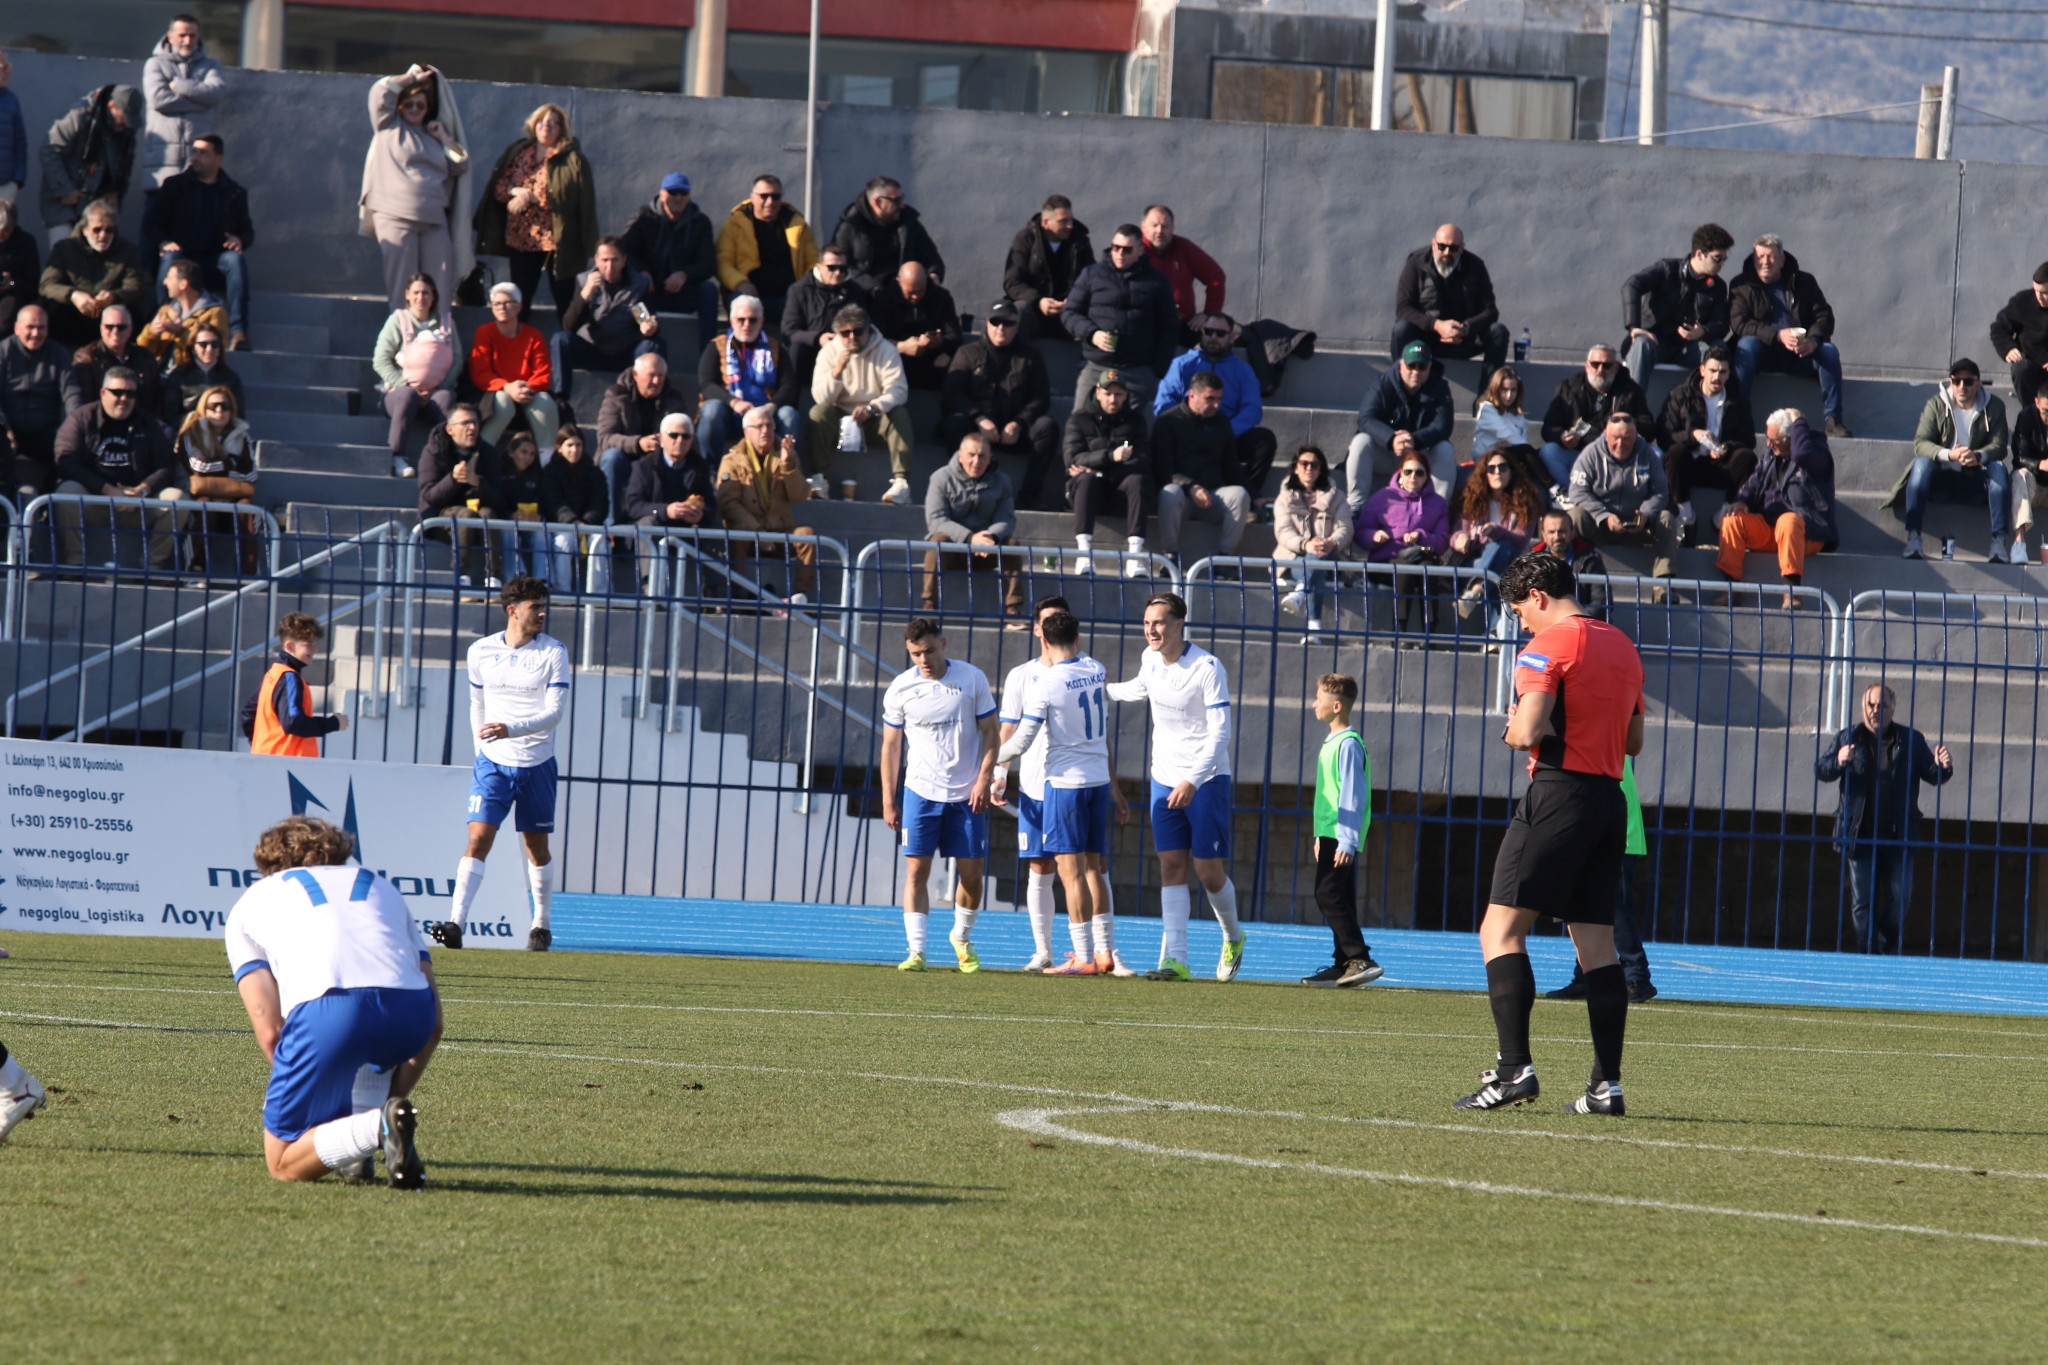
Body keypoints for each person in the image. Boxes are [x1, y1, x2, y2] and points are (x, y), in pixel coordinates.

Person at [1455, 550, 1645, 1116]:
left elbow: (1528, 730)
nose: (1520, 624)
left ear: (1536, 596)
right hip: (1609, 800)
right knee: (1597, 946)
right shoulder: (1622, 644)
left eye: (1519, 611)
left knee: (1499, 930)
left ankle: (1513, 1070)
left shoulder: (1547, 646)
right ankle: (1605, 1087)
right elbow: (1634, 742)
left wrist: (1512, 730)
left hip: (1559, 794)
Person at [225, 815, 440, 1187]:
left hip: (329, 1012)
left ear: (268, 864)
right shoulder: (381, 886)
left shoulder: (251, 901)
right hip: (410, 1014)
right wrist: (394, 1100)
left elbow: (271, 1032)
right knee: (369, 1045)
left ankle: (372, 1128)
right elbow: (434, 1023)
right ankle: (370, 1133)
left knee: (283, 1163)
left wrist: (313, 1097)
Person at [1107, 591, 1246, 982]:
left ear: (1179, 624)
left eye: (1159, 623)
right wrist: (1101, 688)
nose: (1152, 630)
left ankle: (1233, 936)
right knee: (1170, 865)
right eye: (1147, 623)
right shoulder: (1150, 658)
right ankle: (1176, 961)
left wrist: (1192, 780)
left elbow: (1221, 734)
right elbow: (1140, 688)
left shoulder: (1207, 667)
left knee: (1207, 870)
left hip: (1206, 780)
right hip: (1163, 778)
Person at [428, 576, 569, 952]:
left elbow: (555, 713)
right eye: (535, 607)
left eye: (544, 607)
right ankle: (456, 924)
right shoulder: (480, 651)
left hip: (537, 763)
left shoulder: (553, 652)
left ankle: (540, 925)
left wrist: (511, 729)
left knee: (536, 848)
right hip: (493, 764)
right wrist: (482, 749)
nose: (542, 614)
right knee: (478, 839)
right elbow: (477, 703)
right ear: (512, 611)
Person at [996, 608, 1133, 975]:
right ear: (1077, 638)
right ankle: (1104, 952)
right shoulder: (1096, 669)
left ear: (1044, 639)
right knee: (1094, 869)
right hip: (1097, 781)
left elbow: (1022, 740)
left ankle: (1083, 957)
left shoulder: (1046, 682)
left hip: (1065, 784)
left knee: (1069, 872)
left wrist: (990, 760)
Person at [881, 618, 999, 973]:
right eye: (916, 654)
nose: (924, 659)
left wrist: (984, 779)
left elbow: (991, 732)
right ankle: (916, 951)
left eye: (929, 651)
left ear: (943, 644)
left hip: (966, 793)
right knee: (916, 871)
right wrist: (888, 800)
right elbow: (891, 747)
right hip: (921, 791)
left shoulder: (971, 678)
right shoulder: (900, 688)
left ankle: (960, 937)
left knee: (972, 875)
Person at [1816, 684, 1953, 955]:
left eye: (1882, 705)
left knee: (1901, 897)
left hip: (1898, 834)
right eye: (1871, 705)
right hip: (1859, 833)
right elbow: (1821, 769)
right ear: (1863, 707)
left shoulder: (1911, 740)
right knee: (1862, 902)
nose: (1876, 710)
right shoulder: (1848, 737)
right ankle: (1869, 951)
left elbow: (1933, 774)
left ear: (1892, 709)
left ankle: (1884, 943)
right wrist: (1839, 761)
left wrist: (1944, 767)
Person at [993, 593, 1078, 969]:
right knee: (1040, 867)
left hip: (1074, 785)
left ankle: (1099, 952)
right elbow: (1009, 729)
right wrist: (999, 772)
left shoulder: (1087, 671)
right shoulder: (1021, 675)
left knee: (1087, 867)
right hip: (1033, 786)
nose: (1052, 627)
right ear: (1036, 629)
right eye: (1046, 621)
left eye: (1059, 619)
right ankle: (1043, 951)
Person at [1544, 756, 1657, 1004]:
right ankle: (1586, 975)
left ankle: (1636, 976)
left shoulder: (1599, 744)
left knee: (1615, 908)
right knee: (1578, 908)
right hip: (1586, 833)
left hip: (1615, 835)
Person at [359, 64, 471, 313]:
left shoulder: (433, 136)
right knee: (404, 286)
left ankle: (440, 333)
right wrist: (411, 78)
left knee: (439, 284)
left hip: (434, 219)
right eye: (409, 104)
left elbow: (460, 165)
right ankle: (403, 334)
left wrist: (444, 138)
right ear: (399, 106)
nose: (414, 109)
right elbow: (380, 91)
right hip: (396, 216)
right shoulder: (389, 126)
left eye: (420, 105)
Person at [473, 102, 596, 324]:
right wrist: (515, 191)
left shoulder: (571, 159)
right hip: (521, 241)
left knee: (564, 299)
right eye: (542, 121)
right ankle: (520, 344)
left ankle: (567, 342)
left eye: (553, 123)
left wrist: (530, 198)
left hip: (556, 243)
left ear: (561, 129)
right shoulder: (518, 152)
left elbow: (572, 199)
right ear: (533, 124)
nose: (546, 126)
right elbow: (498, 188)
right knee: (520, 300)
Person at [53, 364, 183, 570]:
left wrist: (142, 490)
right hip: (95, 501)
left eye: (130, 394)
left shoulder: (148, 423)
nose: (124, 398)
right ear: (103, 393)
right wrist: (106, 489)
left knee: (178, 499)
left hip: (137, 504)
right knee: (67, 491)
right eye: (117, 392)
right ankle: (74, 564)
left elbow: (165, 466)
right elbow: (66, 462)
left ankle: (151, 567)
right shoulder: (80, 418)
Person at [1301, 673, 1383, 987]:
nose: (1314, 704)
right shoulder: (1333, 742)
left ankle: (1359, 957)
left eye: (1319, 699)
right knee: (1341, 896)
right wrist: (1320, 835)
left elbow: (1352, 794)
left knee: (1327, 893)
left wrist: (1346, 840)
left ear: (1337, 706)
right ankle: (1343, 963)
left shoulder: (1348, 744)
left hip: (1340, 834)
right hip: (1330, 833)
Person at [1728, 233, 1851, 438]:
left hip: (1800, 353)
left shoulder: (1804, 282)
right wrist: (1777, 335)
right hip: (1763, 354)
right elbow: (1740, 324)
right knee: (1746, 346)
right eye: (1760, 257)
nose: (1765, 262)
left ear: (1782, 260)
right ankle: (1738, 417)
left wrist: (1813, 341)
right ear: (1754, 259)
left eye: (1771, 257)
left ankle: (1833, 420)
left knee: (1829, 351)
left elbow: (1824, 317)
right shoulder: (1741, 285)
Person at [1893, 357, 2014, 562]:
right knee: (1921, 464)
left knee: (1998, 468)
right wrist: (1950, 455)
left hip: (1976, 480)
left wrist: (1978, 456)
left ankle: (1998, 543)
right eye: (1956, 381)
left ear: (1978, 383)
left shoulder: (1994, 406)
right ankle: (1913, 538)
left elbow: (1999, 445)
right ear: (1951, 382)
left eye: (1968, 381)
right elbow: (1921, 443)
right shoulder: (1936, 404)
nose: (1961, 386)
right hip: (1941, 479)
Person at [940, 300, 1056, 509]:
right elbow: (952, 394)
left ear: (1017, 325)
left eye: (1008, 323)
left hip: (1014, 433)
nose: (1001, 328)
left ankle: (1029, 495)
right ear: (987, 323)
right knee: (954, 422)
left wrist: (1019, 422)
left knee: (1047, 426)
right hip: (977, 431)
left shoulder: (1030, 356)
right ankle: (962, 489)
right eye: (996, 322)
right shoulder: (967, 353)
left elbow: (1041, 397)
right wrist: (978, 418)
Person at [142, 132, 251, 350]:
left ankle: (238, 331)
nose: (196, 157)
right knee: (169, 258)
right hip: (181, 257)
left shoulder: (234, 193)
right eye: (195, 152)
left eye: (203, 153)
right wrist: (163, 242)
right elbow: (152, 223)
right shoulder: (175, 186)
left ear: (218, 158)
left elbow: (247, 231)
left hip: (213, 259)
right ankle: (165, 318)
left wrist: (239, 240)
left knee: (234, 260)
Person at [1716, 408, 1836, 601]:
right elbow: (1753, 484)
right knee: (1732, 521)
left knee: (1788, 521)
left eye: (1774, 440)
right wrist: (1741, 501)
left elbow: (1802, 454)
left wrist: (1799, 422)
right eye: (1768, 438)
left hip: (1806, 533)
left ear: (1791, 437)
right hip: (1770, 530)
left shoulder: (1816, 451)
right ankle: (1731, 589)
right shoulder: (1770, 456)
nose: (1768, 444)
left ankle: (1792, 591)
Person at [1154, 311, 1277, 501]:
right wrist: (1185, 427)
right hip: (1187, 433)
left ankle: (1250, 500)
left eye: (1220, 334)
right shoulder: (1181, 365)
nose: (1213, 337)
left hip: (1227, 435)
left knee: (1264, 440)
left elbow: (1252, 410)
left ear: (1231, 337)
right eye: (1208, 332)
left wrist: (1225, 431)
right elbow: (1163, 405)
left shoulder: (1243, 371)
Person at [1065, 224, 1179, 413]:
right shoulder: (1092, 274)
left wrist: (1156, 371)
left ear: (1140, 251)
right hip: (1096, 365)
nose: (1119, 254)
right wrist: (1092, 334)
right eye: (1115, 247)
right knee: (1081, 421)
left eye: (1127, 250)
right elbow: (1070, 313)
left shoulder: (1157, 281)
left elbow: (1170, 327)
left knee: (1128, 428)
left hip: (1137, 371)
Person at [809, 304, 912, 503]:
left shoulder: (886, 350)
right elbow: (821, 398)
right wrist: (837, 371)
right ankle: (819, 479)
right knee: (818, 413)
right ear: (838, 334)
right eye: (845, 333)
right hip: (839, 421)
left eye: (858, 331)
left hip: (874, 419)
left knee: (899, 414)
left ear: (868, 330)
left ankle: (901, 483)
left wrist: (873, 408)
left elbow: (898, 390)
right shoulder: (829, 352)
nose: (852, 337)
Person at [716, 405, 817, 604]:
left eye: (770, 426)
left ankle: (802, 597)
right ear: (746, 432)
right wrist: (758, 533)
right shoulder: (731, 460)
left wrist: (787, 465)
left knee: (807, 535)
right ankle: (736, 593)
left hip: (780, 532)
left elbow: (799, 495)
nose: (766, 431)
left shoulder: (786, 455)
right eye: (759, 426)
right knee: (736, 533)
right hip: (749, 532)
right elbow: (728, 504)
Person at [549, 237, 666, 402]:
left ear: (624, 261)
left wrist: (650, 328)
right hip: (593, 349)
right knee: (560, 339)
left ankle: (647, 401)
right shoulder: (584, 281)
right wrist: (585, 294)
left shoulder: (639, 284)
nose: (609, 266)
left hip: (625, 351)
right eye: (604, 260)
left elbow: (646, 319)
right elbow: (568, 326)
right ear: (596, 260)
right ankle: (561, 400)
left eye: (615, 260)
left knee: (654, 344)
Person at [1659, 346, 1756, 546]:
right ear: (1702, 370)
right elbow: (1664, 435)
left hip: (1721, 465)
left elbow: (1748, 440)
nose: (1717, 377)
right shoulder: (1680, 395)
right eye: (1712, 370)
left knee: (1747, 457)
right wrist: (1693, 435)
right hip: (1689, 464)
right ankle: (1686, 516)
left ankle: (1723, 515)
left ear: (1729, 374)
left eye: (1722, 372)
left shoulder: (1738, 401)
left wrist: (1726, 447)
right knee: (1675, 452)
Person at [922, 431, 1023, 619]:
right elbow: (936, 520)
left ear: (990, 458)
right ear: (960, 456)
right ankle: (930, 604)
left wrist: (991, 537)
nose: (976, 462)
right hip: (952, 550)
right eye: (971, 455)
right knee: (937, 541)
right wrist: (970, 538)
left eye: (982, 456)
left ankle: (1013, 608)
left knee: (1012, 545)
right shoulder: (940, 478)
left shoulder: (1003, 482)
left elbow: (1007, 518)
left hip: (986, 551)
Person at [1391, 223, 1508, 387]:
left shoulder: (1475, 266)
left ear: (1462, 248)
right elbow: (1403, 308)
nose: (1447, 252)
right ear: (1433, 244)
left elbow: (1490, 311)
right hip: (1426, 341)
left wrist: (1465, 328)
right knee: (1401, 329)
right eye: (1442, 247)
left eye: (1453, 248)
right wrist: (1436, 325)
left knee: (1498, 332)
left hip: (1463, 340)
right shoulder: (1416, 263)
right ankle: (1399, 390)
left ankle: (1488, 396)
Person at [1620, 223, 1732, 391]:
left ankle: (1714, 404)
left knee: (1717, 352)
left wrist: (1703, 331)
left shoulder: (1718, 286)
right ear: (1700, 254)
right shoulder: (1667, 269)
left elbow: (1722, 323)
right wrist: (1634, 327)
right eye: (1717, 258)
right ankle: (1632, 404)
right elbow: (1632, 285)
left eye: (1724, 259)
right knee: (1641, 344)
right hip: (1656, 342)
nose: (1722, 263)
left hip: (1690, 348)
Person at [1153, 371, 1252, 561]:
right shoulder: (1167, 422)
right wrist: (1190, 486)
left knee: (1240, 495)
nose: (1216, 405)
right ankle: (1170, 556)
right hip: (1181, 497)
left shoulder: (1221, 422)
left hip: (1213, 496)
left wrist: (1256, 496)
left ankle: (1225, 559)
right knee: (1169, 493)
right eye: (1210, 399)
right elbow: (1162, 468)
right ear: (1192, 395)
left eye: (1219, 399)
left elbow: (1231, 465)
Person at [1567, 411, 1678, 581]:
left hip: (1638, 527)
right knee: (1575, 516)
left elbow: (1661, 491)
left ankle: (1664, 585)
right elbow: (1577, 492)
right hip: (1600, 526)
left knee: (1667, 519)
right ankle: (1578, 577)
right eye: (1615, 438)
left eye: (1626, 438)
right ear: (1605, 434)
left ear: (1635, 436)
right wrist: (1603, 516)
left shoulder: (1648, 455)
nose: (1620, 444)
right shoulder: (1591, 454)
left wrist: (1646, 514)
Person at [1347, 340, 1456, 509]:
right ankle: (1356, 508)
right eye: (1411, 365)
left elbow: (1443, 426)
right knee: (1361, 441)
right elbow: (1366, 418)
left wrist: (1416, 439)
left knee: (1445, 449)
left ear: (1430, 366)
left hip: (1420, 456)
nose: (1416, 371)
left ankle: (1437, 510)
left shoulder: (1440, 387)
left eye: (1422, 366)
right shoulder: (1382, 383)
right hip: (1387, 453)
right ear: (1401, 364)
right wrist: (1391, 439)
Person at [1063, 369, 1151, 578]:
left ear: (1126, 395)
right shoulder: (1079, 419)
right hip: (1086, 493)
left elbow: (1143, 460)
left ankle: (1135, 555)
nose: (1113, 399)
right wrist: (1111, 457)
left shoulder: (1136, 421)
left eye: (1118, 394)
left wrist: (1102, 470)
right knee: (1086, 479)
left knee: (1138, 480)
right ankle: (1084, 553)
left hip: (1120, 492)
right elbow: (1072, 460)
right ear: (1098, 393)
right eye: (1108, 393)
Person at [1357, 449, 1452, 638]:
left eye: (1419, 473)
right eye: (1408, 472)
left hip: (1420, 558)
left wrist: (1421, 536)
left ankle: (1430, 633)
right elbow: (1360, 532)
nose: (1413, 477)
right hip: (1385, 562)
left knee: (1428, 569)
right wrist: (1374, 536)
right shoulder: (1383, 497)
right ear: (1400, 473)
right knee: (1404, 568)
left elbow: (1442, 542)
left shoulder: (1438, 503)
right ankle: (1400, 631)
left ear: (1427, 476)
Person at [1536, 344, 1655, 493]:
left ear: (1616, 368)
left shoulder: (1631, 390)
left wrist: (1624, 427)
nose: (1600, 370)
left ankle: (1630, 501)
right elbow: (1548, 428)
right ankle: (1574, 497)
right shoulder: (1569, 388)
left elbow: (1649, 428)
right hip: (1578, 453)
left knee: (1656, 455)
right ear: (1587, 366)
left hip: (1618, 457)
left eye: (1607, 366)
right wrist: (1562, 437)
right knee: (1549, 452)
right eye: (1595, 364)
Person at [373, 272, 457, 480]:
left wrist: (438, 387)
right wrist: (405, 385)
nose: (421, 298)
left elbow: (458, 360)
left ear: (433, 296)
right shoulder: (397, 320)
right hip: (400, 396)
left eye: (426, 293)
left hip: (433, 396)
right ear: (407, 295)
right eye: (416, 293)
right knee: (407, 396)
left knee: (446, 398)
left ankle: (444, 459)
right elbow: (380, 360)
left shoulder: (446, 323)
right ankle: (397, 456)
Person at [696, 293, 799, 461]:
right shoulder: (717, 345)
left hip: (766, 416)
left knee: (789, 415)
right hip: (730, 414)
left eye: (753, 320)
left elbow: (789, 385)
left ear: (761, 322)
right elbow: (706, 383)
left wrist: (771, 407)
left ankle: (785, 468)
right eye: (741, 320)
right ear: (732, 321)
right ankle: (710, 470)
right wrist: (733, 402)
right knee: (712, 409)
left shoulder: (775, 347)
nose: (746, 325)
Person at [1448, 443, 1542, 627]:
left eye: (1503, 467)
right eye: (1491, 468)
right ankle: (1493, 629)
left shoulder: (1525, 503)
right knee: (1500, 568)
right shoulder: (1471, 501)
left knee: (1503, 550)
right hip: (1473, 562)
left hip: (1509, 562)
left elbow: (1521, 539)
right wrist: (1460, 537)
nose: (1497, 472)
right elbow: (1456, 533)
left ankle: (1477, 590)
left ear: (1511, 472)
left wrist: (1496, 531)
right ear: (1484, 474)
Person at [619, 171, 717, 343]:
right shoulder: (643, 218)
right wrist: (642, 272)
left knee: (708, 291)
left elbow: (708, 263)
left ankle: (709, 350)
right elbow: (624, 252)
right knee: (632, 289)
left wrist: (684, 274)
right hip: (648, 291)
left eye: (683, 193)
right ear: (662, 194)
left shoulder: (700, 222)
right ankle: (643, 345)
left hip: (681, 291)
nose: (678, 198)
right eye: (672, 192)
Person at [39, 198, 148, 349]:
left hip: (109, 314)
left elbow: (136, 288)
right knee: (50, 310)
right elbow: (47, 285)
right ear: (84, 229)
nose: (103, 235)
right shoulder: (64, 248)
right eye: (97, 230)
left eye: (109, 230)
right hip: (72, 312)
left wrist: (114, 296)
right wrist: (73, 295)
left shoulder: (127, 251)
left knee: (131, 315)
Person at [39, 85, 141, 246]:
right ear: (111, 106)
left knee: (100, 254)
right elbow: (50, 151)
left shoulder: (126, 130)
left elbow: (123, 165)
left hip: (98, 206)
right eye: (124, 115)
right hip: (64, 202)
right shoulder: (79, 115)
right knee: (64, 252)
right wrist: (65, 190)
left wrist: (116, 191)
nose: (126, 123)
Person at [623, 413, 718, 586]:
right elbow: (633, 505)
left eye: (685, 436)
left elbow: (711, 505)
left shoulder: (700, 467)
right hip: (656, 528)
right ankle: (650, 587)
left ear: (692, 440)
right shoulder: (644, 466)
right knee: (648, 524)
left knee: (714, 527)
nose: (680, 440)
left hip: (685, 530)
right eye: (674, 435)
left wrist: (701, 515)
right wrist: (665, 511)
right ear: (661, 438)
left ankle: (715, 590)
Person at [596, 352, 691, 523]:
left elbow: (686, 437)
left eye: (661, 376)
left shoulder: (674, 399)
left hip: (655, 464)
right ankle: (610, 523)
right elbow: (605, 438)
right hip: (625, 460)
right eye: (651, 375)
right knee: (611, 457)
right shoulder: (616, 395)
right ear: (635, 375)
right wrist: (638, 443)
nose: (656, 381)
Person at [0, 304, 82, 500]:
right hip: (9, 430)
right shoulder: (3, 352)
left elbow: (71, 393)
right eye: (30, 327)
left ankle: (48, 500)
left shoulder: (58, 353)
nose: (36, 333)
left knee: (69, 447)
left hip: (47, 431)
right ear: (17, 328)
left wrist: (73, 427)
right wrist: (5, 428)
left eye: (41, 327)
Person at [415, 403, 501, 587]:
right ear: (450, 429)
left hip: (478, 517)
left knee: (488, 514)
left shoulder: (488, 452)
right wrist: (453, 480)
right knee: (465, 516)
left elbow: (499, 497)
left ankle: (494, 579)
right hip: (441, 519)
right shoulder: (434, 451)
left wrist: (478, 483)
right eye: (466, 423)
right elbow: (429, 496)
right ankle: (461, 576)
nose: (472, 428)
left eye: (475, 422)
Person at [140, 15, 226, 199]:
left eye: (193, 36)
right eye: (182, 35)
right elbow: (158, 100)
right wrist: (201, 102)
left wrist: (180, 86)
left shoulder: (210, 65)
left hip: (197, 170)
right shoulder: (155, 64)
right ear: (170, 36)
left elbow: (216, 94)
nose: (188, 41)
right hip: (162, 170)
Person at [179, 383, 261, 575]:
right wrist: (231, 463)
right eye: (213, 406)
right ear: (204, 408)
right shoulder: (191, 432)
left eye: (225, 406)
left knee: (249, 509)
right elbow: (197, 467)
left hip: (232, 499)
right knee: (204, 507)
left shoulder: (242, 435)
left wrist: (214, 467)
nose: (219, 411)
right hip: (201, 496)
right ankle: (194, 570)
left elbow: (251, 475)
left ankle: (249, 574)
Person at [469, 280, 558, 456]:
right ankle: (480, 456)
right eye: (497, 304)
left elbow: (543, 374)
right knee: (502, 402)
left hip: (528, 393)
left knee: (545, 403)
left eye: (507, 303)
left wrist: (525, 389)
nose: (502, 307)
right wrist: (507, 387)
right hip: (495, 393)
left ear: (519, 307)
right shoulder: (484, 332)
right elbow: (481, 373)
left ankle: (548, 460)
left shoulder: (534, 335)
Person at [1273, 444, 1352, 639]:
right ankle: (1313, 625)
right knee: (1314, 561)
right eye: (1304, 464)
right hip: (1293, 558)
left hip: (1329, 556)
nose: (1309, 468)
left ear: (1321, 469)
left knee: (1317, 557)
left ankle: (1300, 591)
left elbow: (1345, 529)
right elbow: (1283, 531)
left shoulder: (1337, 497)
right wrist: (1305, 544)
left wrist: (1331, 543)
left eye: (1315, 465)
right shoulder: (1284, 498)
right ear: (1296, 468)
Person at [717, 173, 817, 325]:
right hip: (748, 294)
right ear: (753, 197)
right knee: (743, 307)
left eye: (775, 197)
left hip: (788, 295)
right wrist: (741, 283)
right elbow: (722, 263)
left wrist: (804, 287)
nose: (770, 202)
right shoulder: (734, 225)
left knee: (810, 305)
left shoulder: (797, 225)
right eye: (764, 196)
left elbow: (813, 261)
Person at [242, 613, 348, 756]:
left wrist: (263, 748)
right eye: (309, 645)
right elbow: (294, 722)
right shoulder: (289, 677)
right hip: (288, 763)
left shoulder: (273, 674)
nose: (315, 649)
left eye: (315, 644)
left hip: (271, 760)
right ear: (290, 646)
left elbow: (248, 712)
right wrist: (334, 723)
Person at [832, 176, 944, 294]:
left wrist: (934, 276)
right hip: (866, 296)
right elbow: (841, 267)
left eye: (901, 199)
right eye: (896, 201)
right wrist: (874, 289)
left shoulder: (908, 222)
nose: (901, 205)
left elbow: (932, 258)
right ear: (878, 202)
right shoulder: (850, 226)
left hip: (907, 294)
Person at [1004, 195, 1094, 340]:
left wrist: (1073, 299)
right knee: (1019, 310)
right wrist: (1038, 301)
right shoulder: (1026, 239)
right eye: (1063, 221)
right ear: (1046, 222)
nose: (1070, 226)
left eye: (1071, 220)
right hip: (1034, 307)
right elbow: (1013, 282)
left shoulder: (1080, 241)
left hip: (1069, 308)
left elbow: (1091, 278)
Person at [781, 242, 864, 385]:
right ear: (819, 267)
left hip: (844, 350)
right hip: (811, 351)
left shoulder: (855, 291)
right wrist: (817, 338)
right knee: (796, 349)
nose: (838, 273)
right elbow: (789, 332)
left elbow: (864, 325)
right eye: (832, 268)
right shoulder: (799, 290)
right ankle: (790, 395)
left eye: (842, 268)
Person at [871, 261, 960, 392]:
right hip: (896, 357)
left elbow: (955, 336)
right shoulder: (883, 298)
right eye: (910, 292)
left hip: (931, 358)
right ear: (898, 282)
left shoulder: (941, 297)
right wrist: (900, 347)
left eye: (920, 291)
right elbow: (874, 339)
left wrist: (939, 342)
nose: (915, 297)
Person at [539, 428, 608, 593]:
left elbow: (600, 502)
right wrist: (572, 522)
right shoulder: (550, 472)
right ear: (559, 447)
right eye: (569, 445)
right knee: (564, 540)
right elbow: (553, 503)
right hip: (561, 525)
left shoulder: (594, 472)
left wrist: (586, 523)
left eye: (578, 445)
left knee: (600, 542)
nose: (574, 450)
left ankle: (600, 593)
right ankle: (562, 590)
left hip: (589, 526)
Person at [1139, 204, 1223, 330]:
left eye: (1165, 226)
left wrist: (1209, 313)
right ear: (1143, 227)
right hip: (1143, 327)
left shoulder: (1183, 247)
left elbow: (1216, 277)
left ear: (1172, 227)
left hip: (1181, 326)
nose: (1159, 231)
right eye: (1154, 225)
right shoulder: (1133, 249)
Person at [70, 305, 162, 415]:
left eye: (121, 327)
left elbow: (157, 398)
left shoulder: (145, 356)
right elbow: (83, 404)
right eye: (109, 327)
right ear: (101, 328)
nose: (115, 331)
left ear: (130, 330)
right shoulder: (87, 358)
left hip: (141, 419)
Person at [136, 256, 225, 369]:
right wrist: (152, 332)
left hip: (192, 375)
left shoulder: (215, 313)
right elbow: (142, 350)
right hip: (160, 374)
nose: (165, 282)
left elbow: (215, 350)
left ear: (183, 284)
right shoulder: (165, 311)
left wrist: (180, 332)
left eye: (169, 278)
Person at [1472, 364, 1542, 493]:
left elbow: (1521, 441)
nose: (1509, 395)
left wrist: (1511, 447)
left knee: (1533, 459)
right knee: (1528, 453)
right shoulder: (1487, 409)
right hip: (1486, 459)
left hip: (1510, 457)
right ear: (1495, 389)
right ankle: (1555, 489)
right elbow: (1510, 437)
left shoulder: (1518, 415)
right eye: (1504, 390)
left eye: (1513, 390)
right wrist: (1508, 447)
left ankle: (1530, 498)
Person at [1532, 508, 1609, 621]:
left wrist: (1574, 620)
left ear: (1572, 533)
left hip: (1582, 624)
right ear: (1544, 535)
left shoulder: (1591, 559)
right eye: (1551, 532)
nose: (1557, 537)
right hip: (1544, 624)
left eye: (1562, 531)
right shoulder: (1532, 561)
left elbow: (1601, 602)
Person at [160, 323, 241, 426]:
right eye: (203, 344)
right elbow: (170, 414)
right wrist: (196, 428)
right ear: (193, 347)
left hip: (220, 430)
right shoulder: (179, 375)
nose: (209, 349)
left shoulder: (230, 377)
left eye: (215, 344)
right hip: (187, 428)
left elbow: (237, 414)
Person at [1990, 263, 2048, 406]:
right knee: (2020, 369)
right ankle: (2031, 414)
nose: (2039, 297)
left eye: (2045, 293)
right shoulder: (2023, 302)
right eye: (2036, 291)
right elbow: (1999, 328)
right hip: (2032, 368)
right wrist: (2008, 348)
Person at [494, 432, 550, 582]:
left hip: (529, 524)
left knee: (542, 532)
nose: (528, 458)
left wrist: (539, 515)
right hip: (507, 523)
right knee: (508, 530)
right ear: (512, 452)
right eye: (524, 452)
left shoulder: (537, 475)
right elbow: (495, 501)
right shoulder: (499, 473)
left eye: (532, 454)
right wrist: (510, 515)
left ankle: (542, 580)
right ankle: (516, 577)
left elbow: (544, 502)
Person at [2012, 388, 2048, 559]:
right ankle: (2019, 544)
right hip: (2034, 482)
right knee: (2019, 476)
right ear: (2036, 403)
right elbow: (2019, 457)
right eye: (2046, 412)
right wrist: (2040, 464)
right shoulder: (2026, 417)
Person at [0, 197, 36, 336]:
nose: (1, 234)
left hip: (12, 293)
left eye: (6, 230)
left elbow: (32, 284)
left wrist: (11, 283)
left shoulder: (25, 243)